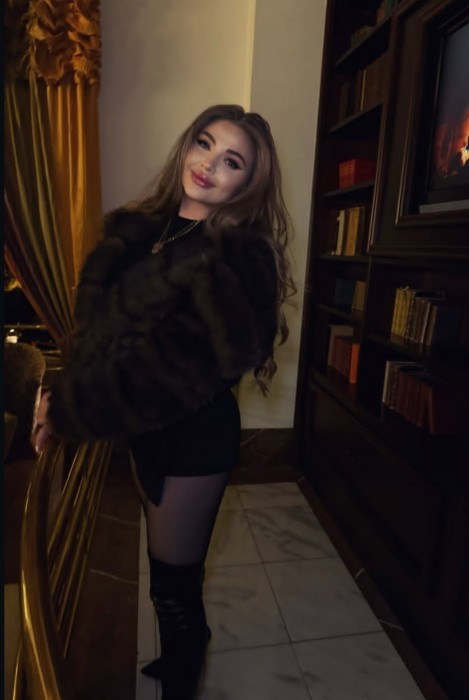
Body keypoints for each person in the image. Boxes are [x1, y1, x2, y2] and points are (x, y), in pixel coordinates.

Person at [34, 103, 296, 699]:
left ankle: (185, 666)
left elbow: (171, 370)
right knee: (160, 566)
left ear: (247, 184)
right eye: (204, 143)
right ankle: (182, 651)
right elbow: (103, 336)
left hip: (195, 438)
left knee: (176, 580)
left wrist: (71, 409)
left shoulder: (239, 257)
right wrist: (61, 391)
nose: (209, 164)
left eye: (231, 161)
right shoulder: (140, 231)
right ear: (186, 144)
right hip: (142, 427)